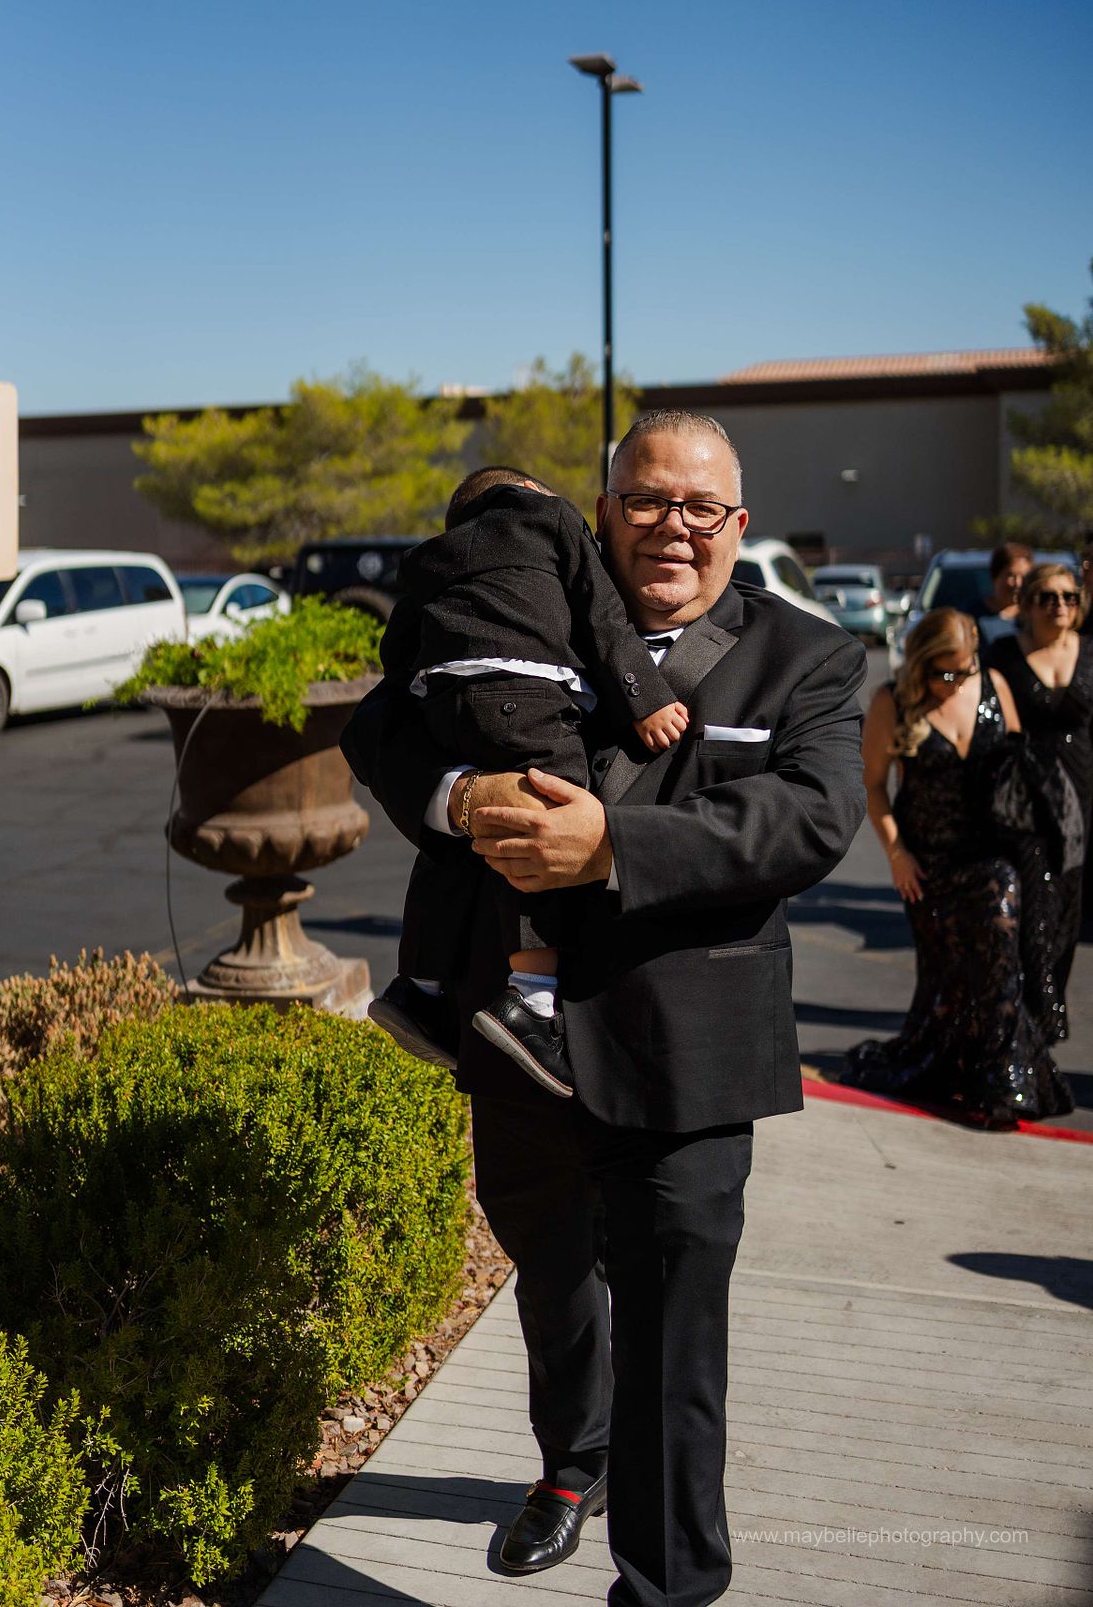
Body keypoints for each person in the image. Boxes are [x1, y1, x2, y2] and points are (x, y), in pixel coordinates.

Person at [342, 409, 867, 1607]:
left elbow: (810, 819)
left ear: (739, 525)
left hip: (687, 1055)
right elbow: (381, 722)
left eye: (699, 509)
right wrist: (459, 794)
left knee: (677, 1331)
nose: (671, 529)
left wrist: (611, 846)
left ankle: (670, 1583)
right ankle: (570, 1469)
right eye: (645, 501)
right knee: (557, 1277)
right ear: (602, 509)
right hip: (514, 1040)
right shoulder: (520, 599)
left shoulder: (811, 657)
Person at [369, 464, 689, 1097]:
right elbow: (602, 619)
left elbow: (397, 642)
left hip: (442, 698)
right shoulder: (553, 521)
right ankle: (533, 997)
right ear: (537, 497)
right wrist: (644, 698)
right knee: (548, 818)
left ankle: (420, 987)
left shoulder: (435, 555)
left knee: (457, 845)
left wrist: (425, 688)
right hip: (528, 693)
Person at [842, 607, 1073, 1127]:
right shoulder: (894, 701)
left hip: (991, 852)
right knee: (947, 984)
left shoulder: (991, 685)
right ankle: (960, 1067)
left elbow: (1020, 765)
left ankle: (1003, 1078)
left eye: (962, 671)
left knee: (1000, 932)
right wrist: (896, 854)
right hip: (928, 863)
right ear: (921, 663)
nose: (954, 682)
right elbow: (873, 785)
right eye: (943, 672)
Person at [987, 562, 1093, 1040]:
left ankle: (1044, 1011)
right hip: (1026, 798)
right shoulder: (1005, 654)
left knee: (1069, 909)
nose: (1060, 606)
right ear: (1027, 604)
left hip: (1083, 797)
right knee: (1033, 909)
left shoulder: (1090, 651)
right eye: (1048, 597)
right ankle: (1041, 1020)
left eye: (1069, 597)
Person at [976, 540, 1032, 654]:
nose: (1018, 583)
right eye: (1011, 576)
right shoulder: (973, 616)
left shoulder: (1033, 616)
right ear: (995, 576)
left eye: (1024, 577)